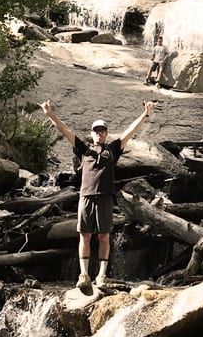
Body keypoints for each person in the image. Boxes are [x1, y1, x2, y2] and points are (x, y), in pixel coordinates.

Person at [40, 100, 155, 293]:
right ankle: (84, 275)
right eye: (96, 131)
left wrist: (145, 115)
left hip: (105, 198)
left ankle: (101, 275)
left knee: (103, 236)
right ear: (92, 133)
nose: (99, 133)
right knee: (84, 235)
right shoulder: (83, 150)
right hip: (86, 198)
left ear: (106, 133)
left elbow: (130, 132)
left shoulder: (113, 150)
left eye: (102, 131)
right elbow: (64, 130)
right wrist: (49, 113)